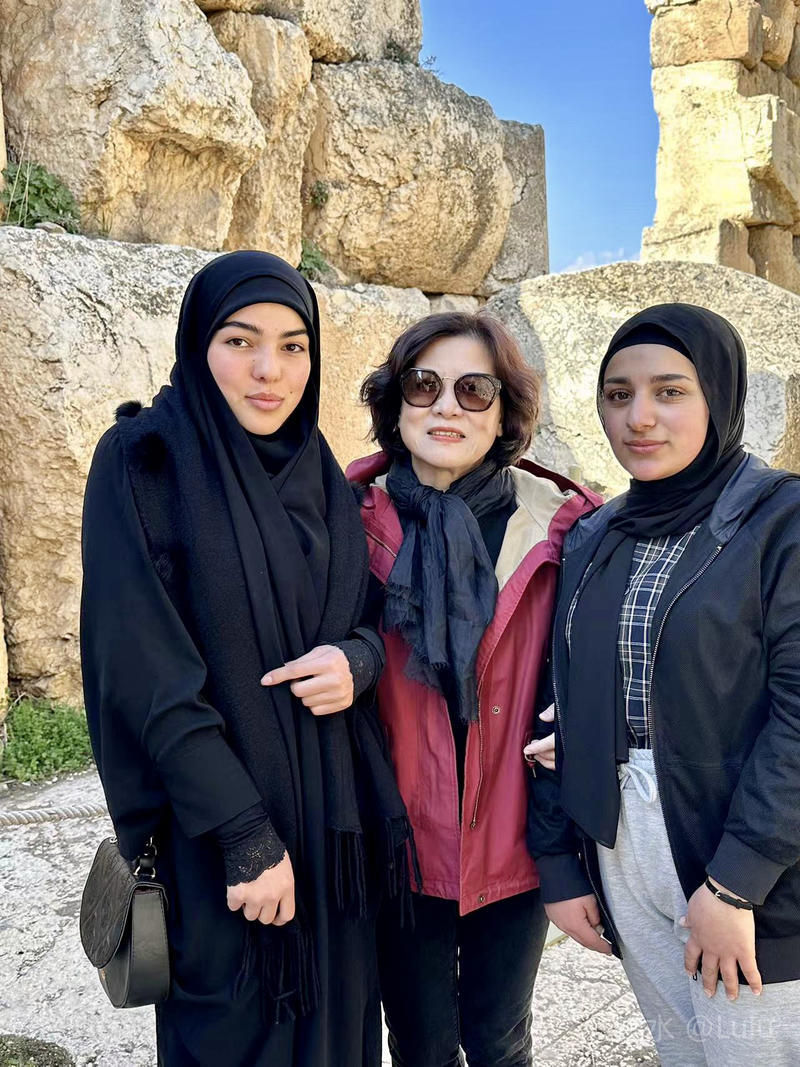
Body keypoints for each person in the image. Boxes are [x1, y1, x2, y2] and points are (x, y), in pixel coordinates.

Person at [80, 251, 413, 1067]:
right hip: (221, 844)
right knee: (234, 1034)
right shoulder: (144, 461)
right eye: (240, 340)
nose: (271, 370)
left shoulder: (321, 475)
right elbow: (145, 671)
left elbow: (370, 617)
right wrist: (246, 835)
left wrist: (361, 660)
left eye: (294, 346)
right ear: (199, 344)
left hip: (332, 836)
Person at [526, 303, 800, 1066]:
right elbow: (558, 702)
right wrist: (561, 865)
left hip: (743, 845)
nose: (639, 417)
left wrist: (737, 883)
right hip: (622, 843)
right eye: (618, 394)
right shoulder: (596, 534)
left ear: (720, 394)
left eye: (670, 391)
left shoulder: (782, 521)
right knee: (685, 1052)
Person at [347, 311, 600, 1067]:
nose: (447, 406)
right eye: (424, 384)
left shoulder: (565, 529)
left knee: (498, 1037)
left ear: (504, 411)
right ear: (396, 402)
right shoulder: (343, 517)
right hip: (395, 838)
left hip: (511, 834)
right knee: (420, 1044)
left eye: (474, 390)